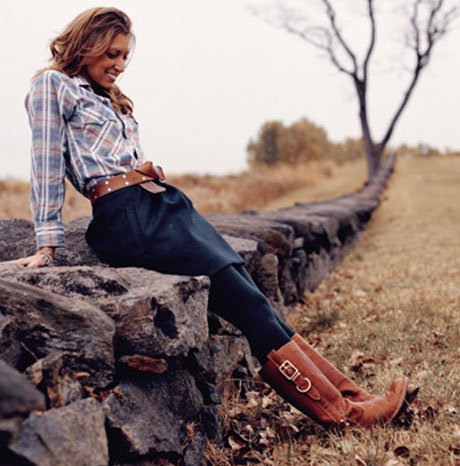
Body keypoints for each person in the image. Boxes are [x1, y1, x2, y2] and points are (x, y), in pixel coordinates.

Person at [9, 7, 417, 430]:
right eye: (111, 53)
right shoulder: (52, 85)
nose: (120, 65)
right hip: (128, 218)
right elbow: (45, 164)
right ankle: (344, 415)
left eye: (125, 56)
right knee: (246, 305)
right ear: (86, 44)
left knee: (254, 300)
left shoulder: (107, 96)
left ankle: (354, 398)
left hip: (163, 206)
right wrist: (46, 244)